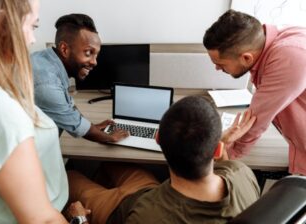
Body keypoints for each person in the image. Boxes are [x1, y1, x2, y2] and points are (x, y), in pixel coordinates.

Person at [0, 1, 89, 223]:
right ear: (3, 23)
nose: (32, 40)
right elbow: (41, 220)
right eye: (33, 26)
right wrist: (80, 220)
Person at [68, 96, 260, 224]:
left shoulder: (146, 218)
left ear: (157, 139)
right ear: (218, 149)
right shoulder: (242, 173)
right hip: (149, 192)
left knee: (70, 175)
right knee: (111, 162)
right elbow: (224, 166)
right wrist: (220, 141)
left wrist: (79, 220)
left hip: (120, 210)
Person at [203, 9, 306, 175]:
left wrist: (227, 158)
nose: (216, 68)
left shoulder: (289, 56)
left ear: (246, 58)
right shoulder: (267, 40)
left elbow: (255, 121)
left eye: (221, 64)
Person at [30, 14, 129, 142]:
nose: (94, 62)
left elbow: (68, 108)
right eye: (88, 53)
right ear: (64, 49)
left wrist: (93, 127)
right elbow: (76, 126)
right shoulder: (47, 82)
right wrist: (110, 138)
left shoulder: (45, 59)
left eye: (96, 55)